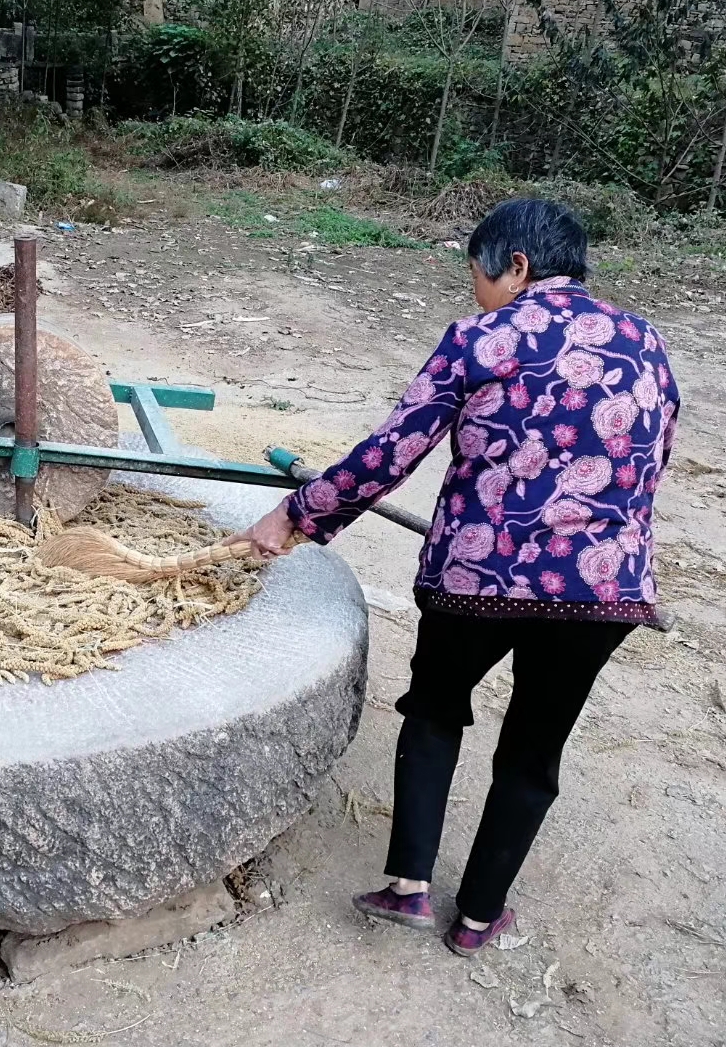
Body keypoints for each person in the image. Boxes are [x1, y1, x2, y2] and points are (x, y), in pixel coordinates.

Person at [230, 197, 679, 956]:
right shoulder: (648, 345)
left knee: (436, 710)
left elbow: (391, 450)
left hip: (478, 578)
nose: (474, 290)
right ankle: (477, 920)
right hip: (603, 591)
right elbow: (652, 467)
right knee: (536, 748)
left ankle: (407, 886)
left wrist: (299, 514)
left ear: (517, 265)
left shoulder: (483, 336)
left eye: (478, 274)